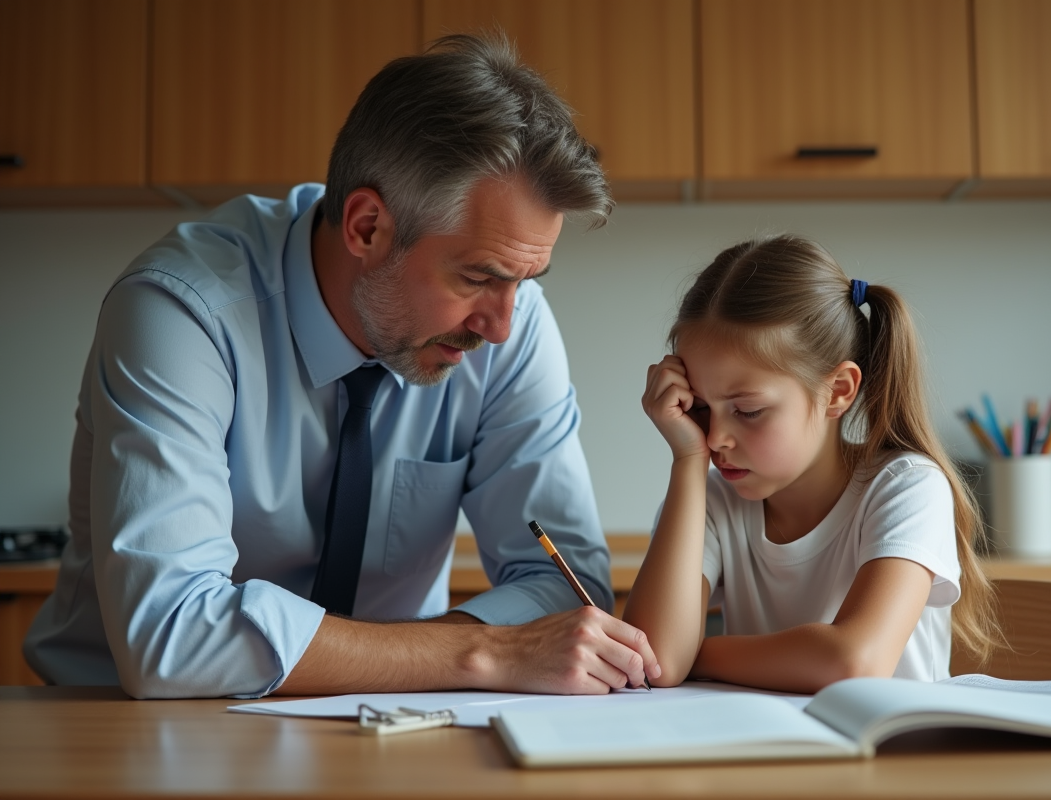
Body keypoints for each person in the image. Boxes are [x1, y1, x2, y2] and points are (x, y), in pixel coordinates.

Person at [24, 35, 660, 699]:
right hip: (126, 724)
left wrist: (433, 658)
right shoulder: (183, 312)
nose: (500, 326)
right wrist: (480, 652)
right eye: (477, 277)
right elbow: (172, 635)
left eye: (523, 282)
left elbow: (567, 585)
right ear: (366, 227)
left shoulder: (510, 325)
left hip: (395, 719)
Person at [623, 235, 998, 692]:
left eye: (748, 411)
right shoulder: (712, 500)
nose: (716, 438)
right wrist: (687, 459)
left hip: (889, 739)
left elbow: (855, 661)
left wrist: (696, 654)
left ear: (837, 391)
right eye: (699, 407)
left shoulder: (908, 487)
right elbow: (655, 660)